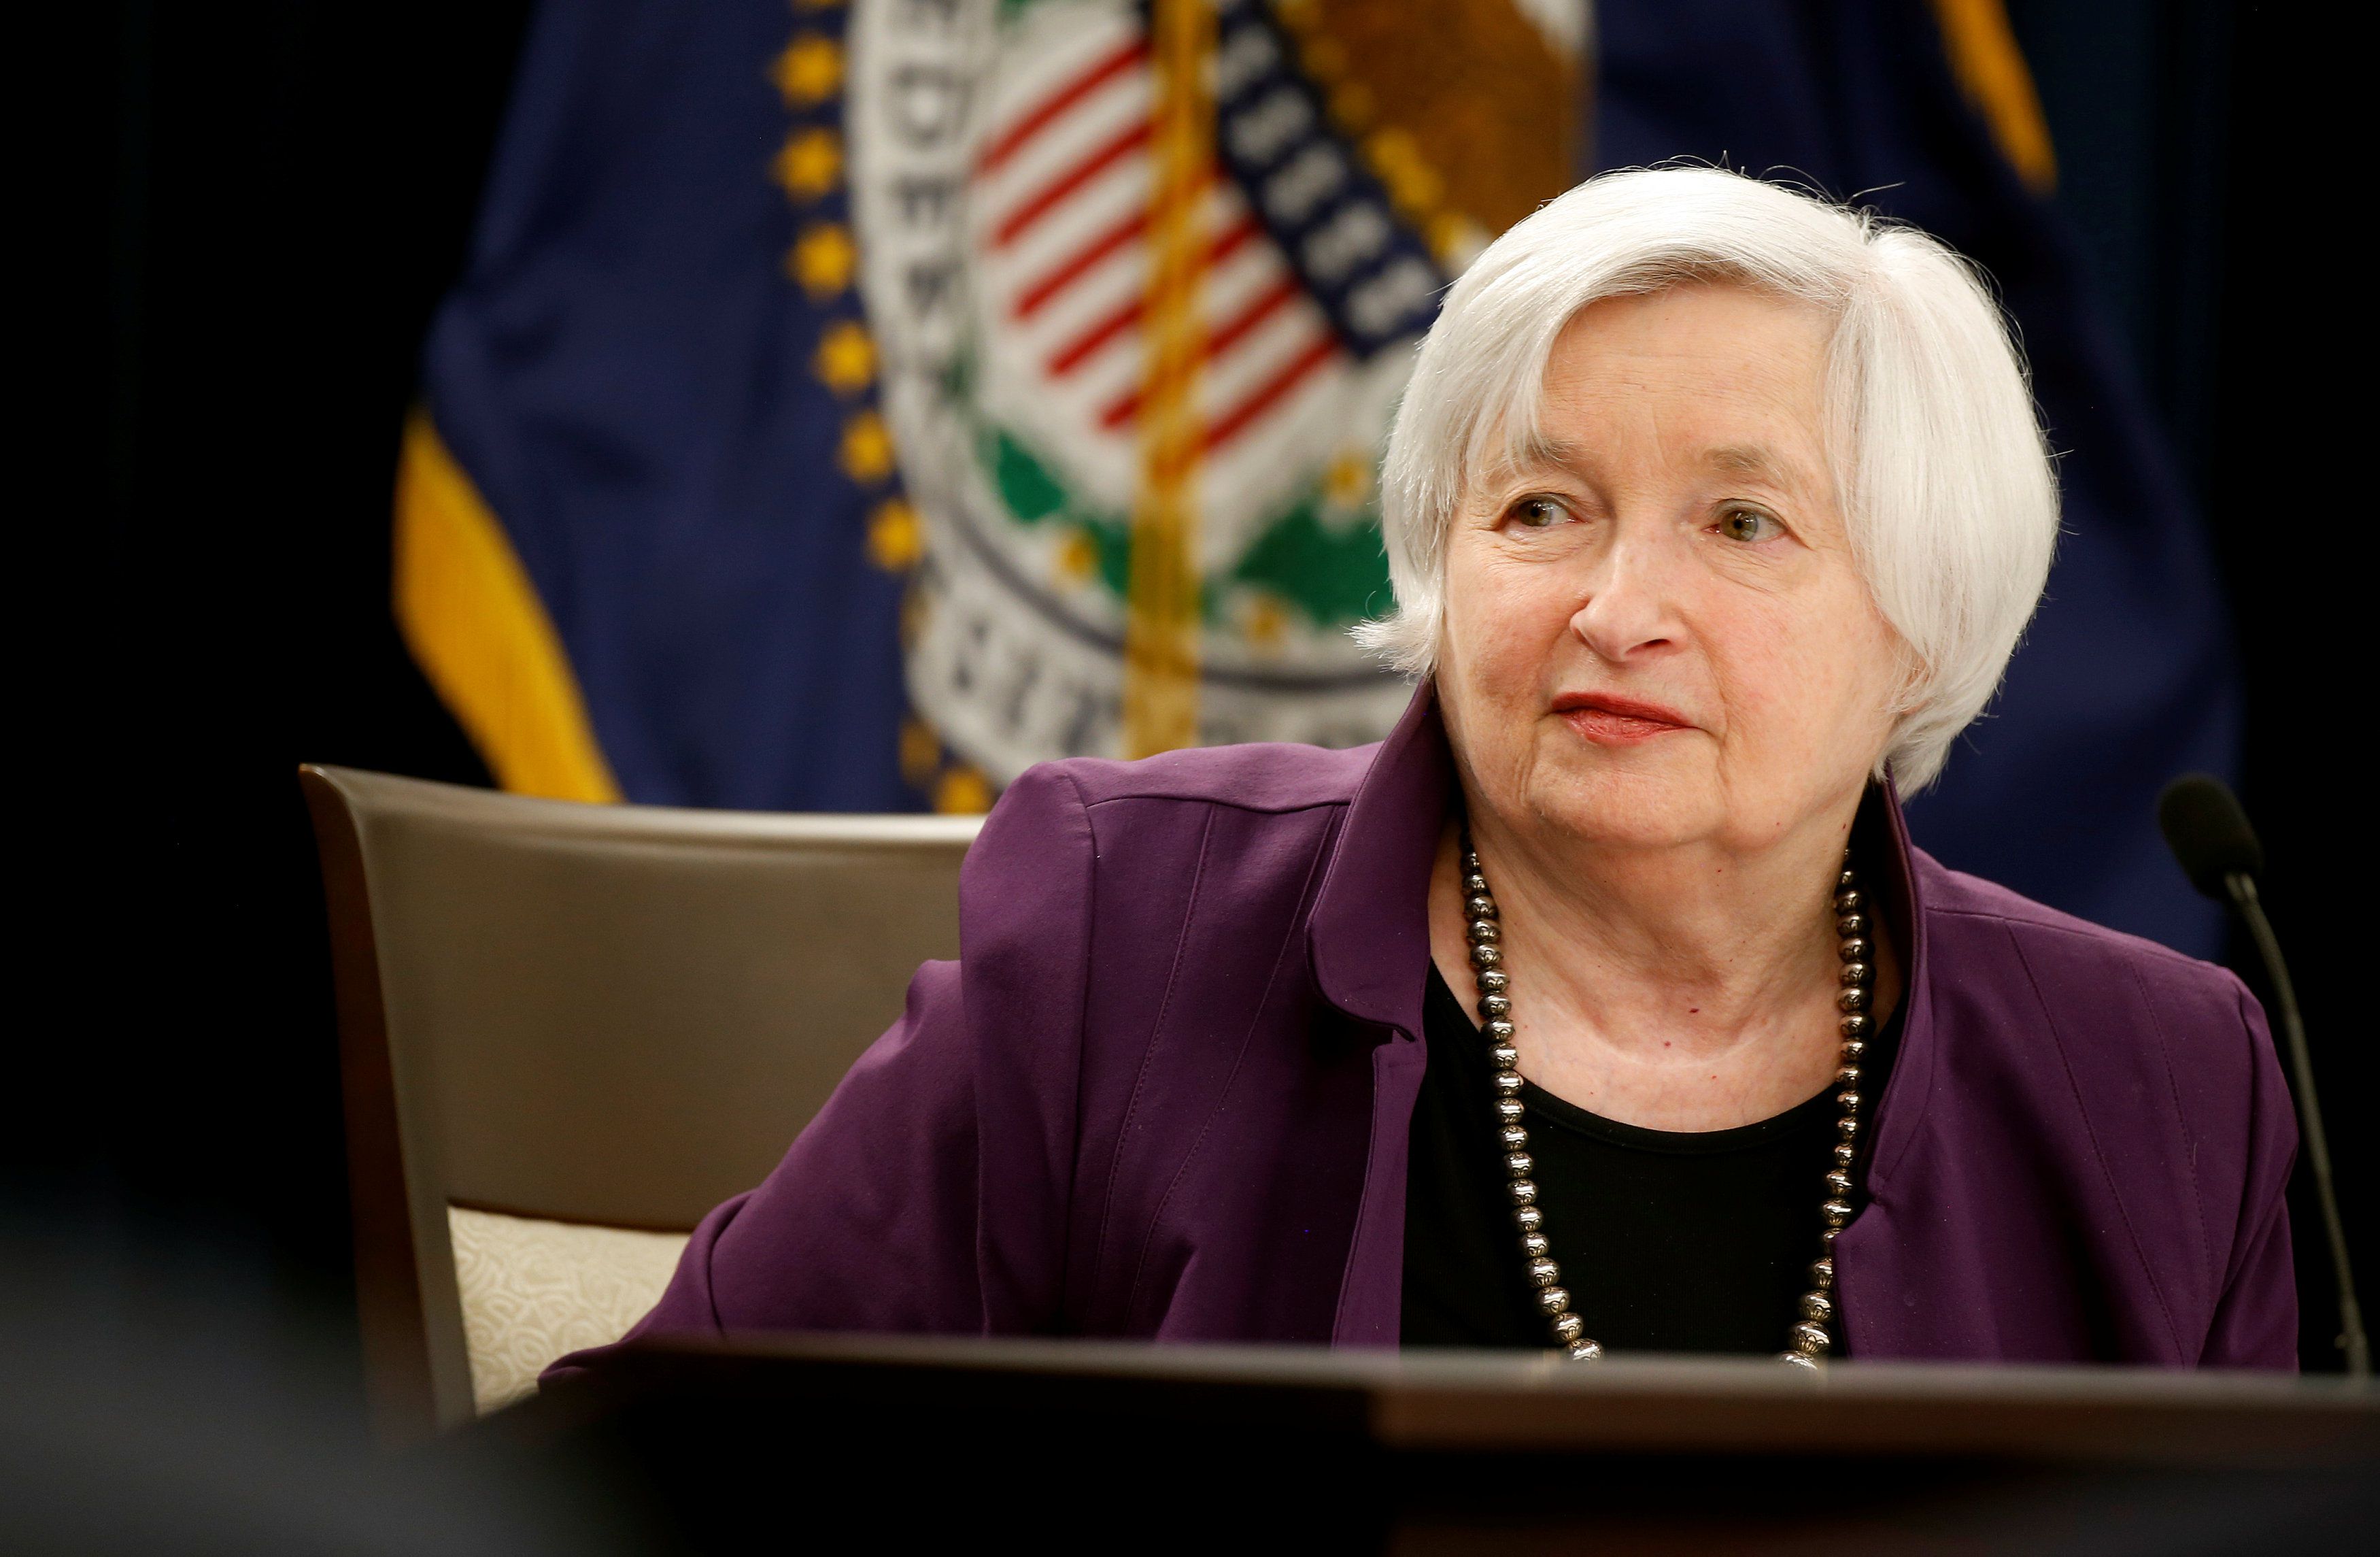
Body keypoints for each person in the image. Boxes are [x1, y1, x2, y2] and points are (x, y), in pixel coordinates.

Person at [558, 168, 2296, 1372]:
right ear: (1439, 560)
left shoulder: (2160, 1091)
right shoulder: (1124, 935)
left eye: (1741, 522)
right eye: (1541, 510)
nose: (1619, 610)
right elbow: (663, 1460)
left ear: (1923, 618)